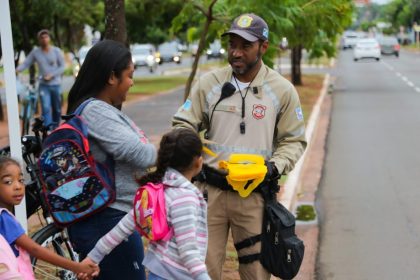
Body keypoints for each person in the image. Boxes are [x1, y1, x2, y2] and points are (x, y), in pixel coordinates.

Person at [172, 13, 307, 280]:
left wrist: (275, 167)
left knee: (256, 272)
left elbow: (293, 139)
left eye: (245, 46)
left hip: (255, 198)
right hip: (209, 194)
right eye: (232, 44)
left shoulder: (281, 90)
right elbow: (182, 124)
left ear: (263, 47)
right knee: (201, 270)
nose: (236, 52)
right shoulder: (209, 84)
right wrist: (192, 153)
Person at [65, 39, 157, 280]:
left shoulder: (102, 109)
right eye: (129, 75)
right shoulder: (95, 111)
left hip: (113, 219)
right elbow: (138, 153)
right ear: (111, 77)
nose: (132, 82)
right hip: (108, 222)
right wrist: (173, 154)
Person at [81, 129, 210, 280]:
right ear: (198, 161)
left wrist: (93, 257)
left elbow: (122, 228)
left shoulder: (156, 191)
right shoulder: (185, 198)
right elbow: (188, 252)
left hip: (157, 274)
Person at [0, 156, 99, 279]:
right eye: (8, 182)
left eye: (21, 180)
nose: (18, 186)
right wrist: (76, 266)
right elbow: (34, 249)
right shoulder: (4, 218)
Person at [16, 29, 65, 129]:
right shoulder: (36, 52)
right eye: (42, 38)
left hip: (55, 84)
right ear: (39, 40)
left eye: (46, 37)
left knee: (57, 109)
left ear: (49, 38)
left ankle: (55, 127)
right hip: (43, 85)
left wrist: (52, 75)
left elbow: (62, 67)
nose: (44, 39)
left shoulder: (56, 51)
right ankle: (48, 129)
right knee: (46, 107)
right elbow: (26, 63)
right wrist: (16, 70)